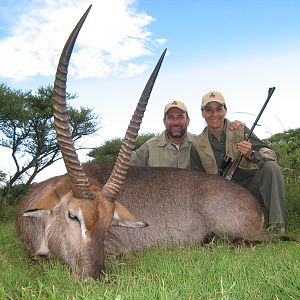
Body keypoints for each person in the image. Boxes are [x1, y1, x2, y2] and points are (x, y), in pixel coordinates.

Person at [192, 90, 286, 232]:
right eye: (208, 110)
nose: (214, 114)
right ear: (202, 113)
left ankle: (277, 226)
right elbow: (196, 180)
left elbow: (270, 154)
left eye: (219, 109)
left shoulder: (240, 129)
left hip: (251, 191)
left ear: (225, 110)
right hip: (222, 199)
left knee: (271, 167)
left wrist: (251, 154)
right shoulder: (197, 144)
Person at [130, 100, 195, 168]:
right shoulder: (149, 147)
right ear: (164, 122)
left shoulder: (199, 143)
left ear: (188, 121)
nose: (175, 122)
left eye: (180, 117)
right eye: (170, 117)